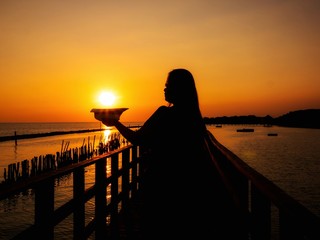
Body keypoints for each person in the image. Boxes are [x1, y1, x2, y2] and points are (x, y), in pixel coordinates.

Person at [102, 68, 225, 239]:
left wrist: (115, 122)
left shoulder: (165, 114)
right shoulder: (194, 119)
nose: (164, 89)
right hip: (187, 190)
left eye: (168, 86)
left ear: (179, 88)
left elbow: (138, 139)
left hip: (161, 185)